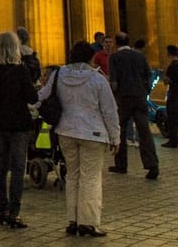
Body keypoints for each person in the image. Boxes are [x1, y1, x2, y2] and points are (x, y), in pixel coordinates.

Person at [40, 41, 119, 238]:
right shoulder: (97, 79)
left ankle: (73, 220)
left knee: (72, 176)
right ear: (90, 57)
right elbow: (109, 110)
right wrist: (115, 137)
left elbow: (41, 96)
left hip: (65, 130)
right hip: (93, 132)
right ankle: (88, 222)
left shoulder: (59, 74)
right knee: (90, 177)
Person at [0, 31, 38, 229]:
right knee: (18, 168)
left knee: (1, 167)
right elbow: (32, 98)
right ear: (15, 48)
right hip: (19, 124)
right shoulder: (21, 71)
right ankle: (14, 212)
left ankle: (1, 209)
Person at [107, 31, 159, 180]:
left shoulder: (115, 58)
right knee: (144, 132)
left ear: (116, 43)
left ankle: (121, 165)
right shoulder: (140, 56)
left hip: (123, 99)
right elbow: (148, 76)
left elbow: (114, 83)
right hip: (139, 97)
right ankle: (152, 165)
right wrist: (144, 91)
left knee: (120, 132)